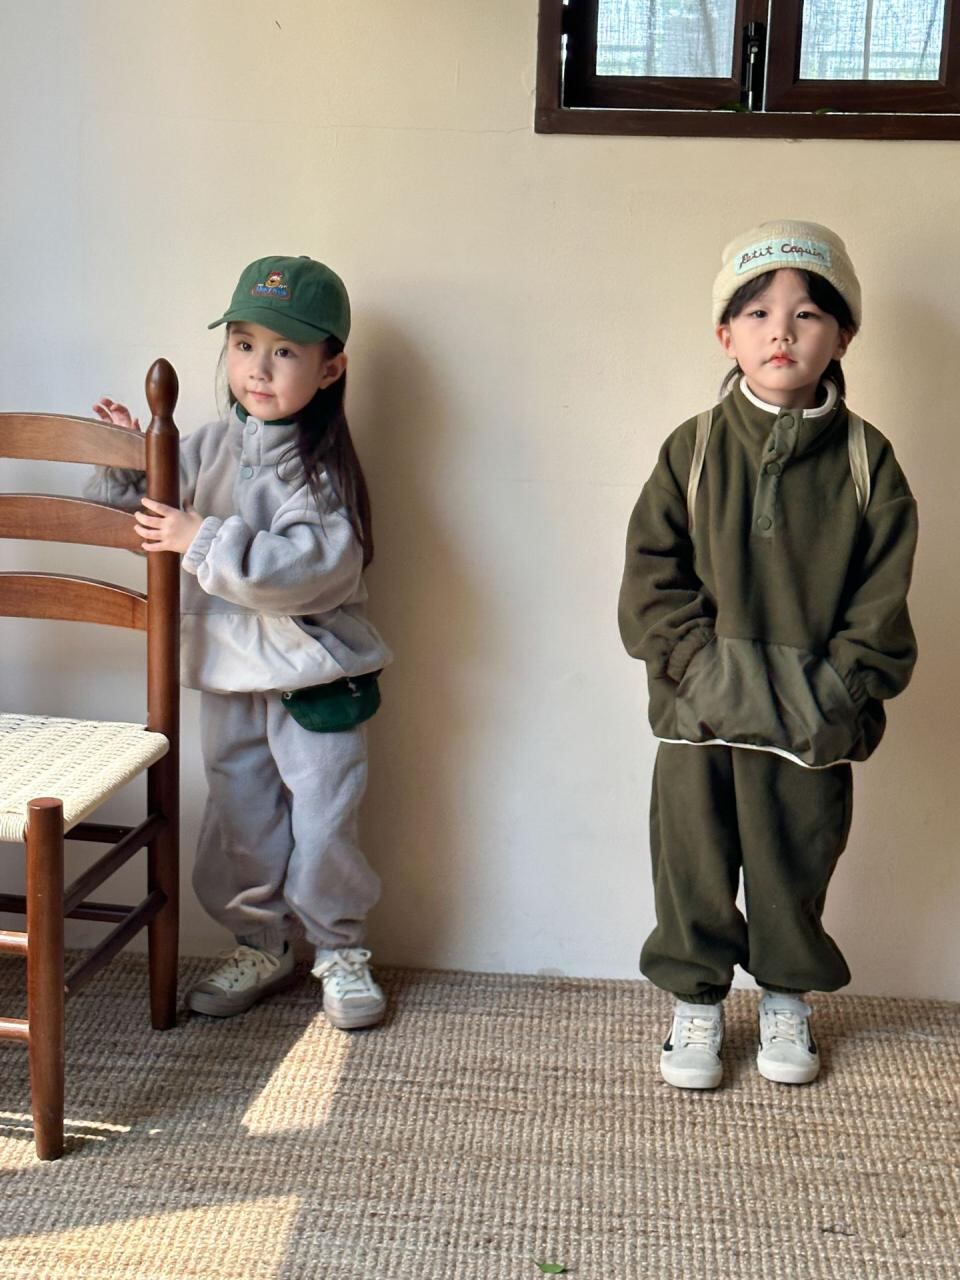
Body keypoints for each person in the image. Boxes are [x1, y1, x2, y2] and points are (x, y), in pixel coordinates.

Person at [618, 221, 918, 1089]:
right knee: (692, 862)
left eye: (806, 313)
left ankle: (787, 996)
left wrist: (837, 690)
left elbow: (882, 599)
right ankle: (697, 1003)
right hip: (700, 715)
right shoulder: (693, 448)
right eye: (756, 313)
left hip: (809, 720)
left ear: (843, 335)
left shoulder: (868, 461)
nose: (780, 331)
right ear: (726, 335)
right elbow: (651, 578)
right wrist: (697, 669)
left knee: (797, 861)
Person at [89, 255, 392, 1029]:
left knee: (324, 823)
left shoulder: (323, 473)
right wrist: (129, 460)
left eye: (285, 350)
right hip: (228, 675)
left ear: (330, 368)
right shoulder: (207, 446)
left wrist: (203, 537)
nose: (259, 367)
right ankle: (260, 944)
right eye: (244, 344)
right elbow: (145, 516)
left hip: (312, 680)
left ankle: (339, 948)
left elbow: (311, 571)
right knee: (240, 819)